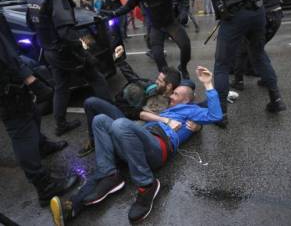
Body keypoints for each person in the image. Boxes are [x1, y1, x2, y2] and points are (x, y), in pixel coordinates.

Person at [49, 66, 222, 225]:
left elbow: (215, 115)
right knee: (100, 120)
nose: (171, 96)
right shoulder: (166, 106)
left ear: (186, 101)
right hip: (137, 142)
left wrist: (208, 84)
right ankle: (73, 206)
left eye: (175, 94)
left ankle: (147, 185)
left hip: (158, 147)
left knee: (120, 125)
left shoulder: (189, 111)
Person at [168, 0, 286, 127]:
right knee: (259, 55)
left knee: (222, 65)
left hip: (234, 15)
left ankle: (221, 114)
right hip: (257, 9)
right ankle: (276, 99)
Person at [27, 0, 113, 136]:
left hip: (50, 50)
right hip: (66, 52)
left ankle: (60, 124)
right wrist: (85, 55)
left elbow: (31, 24)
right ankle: (113, 117)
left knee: (61, 88)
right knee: (96, 78)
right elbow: (67, 33)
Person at [0, 29, 78, 207]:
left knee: (32, 112)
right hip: (6, 85)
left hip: (11, 78)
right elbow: (4, 52)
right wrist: (31, 80)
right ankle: (45, 186)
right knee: (20, 129)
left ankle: (41, 145)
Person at [77, 45, 182, 157]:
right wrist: (120, 60)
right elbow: (135, 79)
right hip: (125, 111)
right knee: (92, 102)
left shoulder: (165, 103)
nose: (156, 81)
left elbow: (139, 115)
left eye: (160, 81)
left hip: (127, 122)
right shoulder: (155, 88)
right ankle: (96, 139)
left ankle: (98, 143)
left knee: (92, 103)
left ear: (169, 86)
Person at [100, 0, 192, 79]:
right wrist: (114, 13)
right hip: (156, 26)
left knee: (185, 46)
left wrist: (184, 11)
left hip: (170, 22)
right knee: (157, 55)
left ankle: (183, 67)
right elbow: (128, 6)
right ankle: (167, 78)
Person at [231, 0, 283, 91]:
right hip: (277, 13)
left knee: (245, 50)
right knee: (256, 49)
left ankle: (239, 81)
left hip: (264, 14)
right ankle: (255, 72)